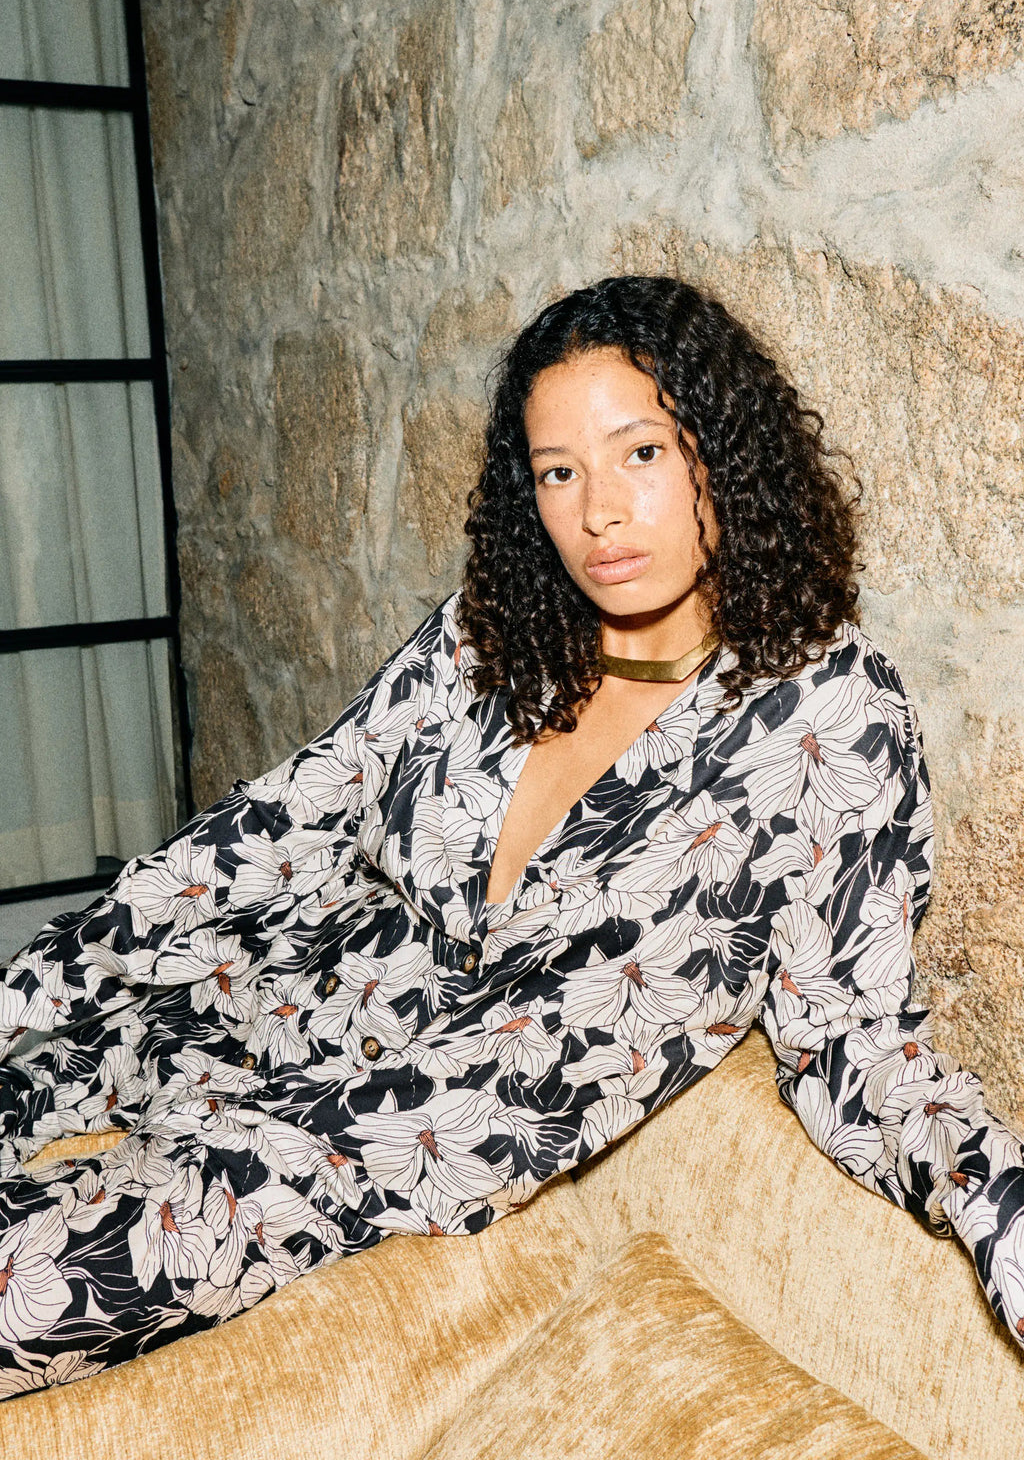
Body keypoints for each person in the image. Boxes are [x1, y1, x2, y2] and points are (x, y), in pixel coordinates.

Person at [0, 275, 1021, 1398]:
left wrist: (996, 1202)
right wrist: (41, 985)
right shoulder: (492, 636)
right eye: (557, 472)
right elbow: (285, 821)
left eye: (640, 453)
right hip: (253, 1003)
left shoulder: (832, 718)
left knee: (29, 1290)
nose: (597, 513)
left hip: (367, 1147)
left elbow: (853, 1041)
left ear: (723, 452)